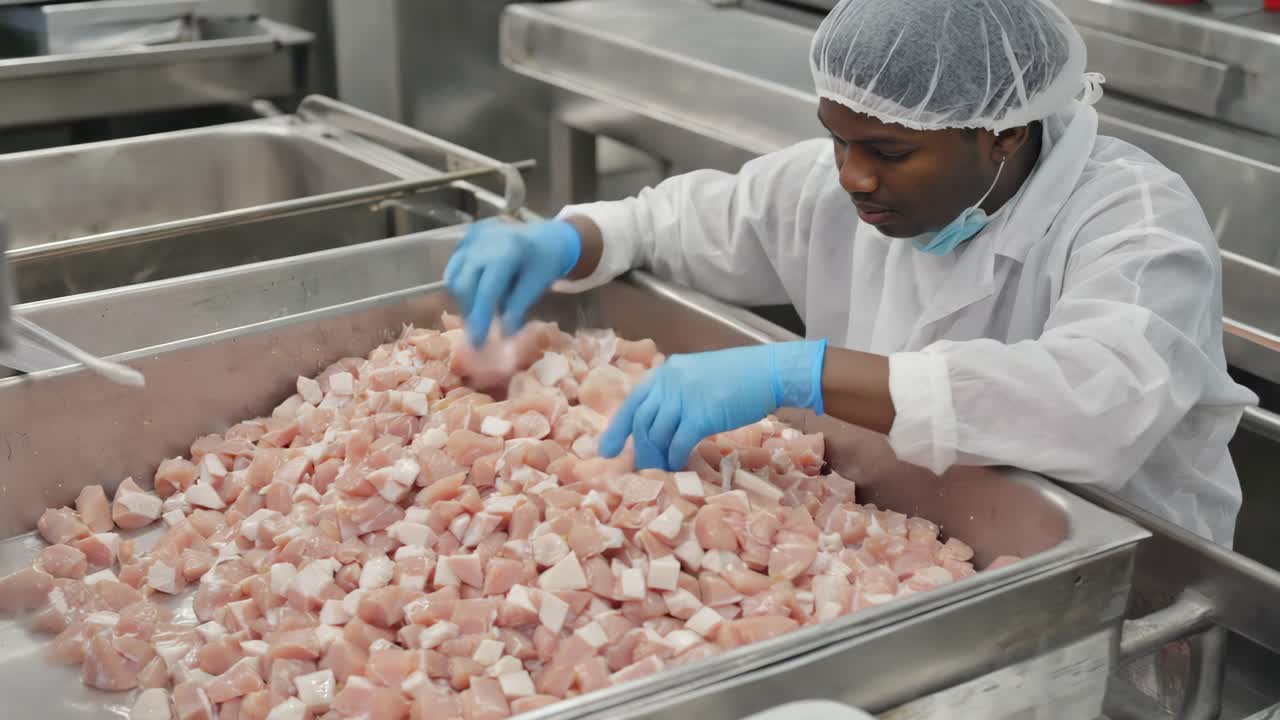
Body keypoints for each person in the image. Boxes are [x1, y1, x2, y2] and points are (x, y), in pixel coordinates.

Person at [444, 0, 1256, 546]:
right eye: (837, 139)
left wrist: (803, 373)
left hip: (1135, 583)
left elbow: (1095, 402)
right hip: (915, 530)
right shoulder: (834, 186)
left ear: (1004, 133)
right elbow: (673, 222)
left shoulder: (1135, 222)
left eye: (888, 152)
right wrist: (566, 238)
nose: (852, 176)